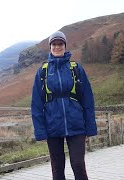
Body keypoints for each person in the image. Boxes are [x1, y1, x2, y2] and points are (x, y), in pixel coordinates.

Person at [31, 31, 97, 180]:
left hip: (77, 124)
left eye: (60, 44)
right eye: (54, 44)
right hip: (52, 126)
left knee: (78, 164)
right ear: (50, 47)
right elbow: (36, 104)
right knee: (57, 167)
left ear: (65, 46)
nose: (57, 47)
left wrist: (90, 126)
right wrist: (40, 130)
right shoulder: (42, 72)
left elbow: (88, 100)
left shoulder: (76, 69)